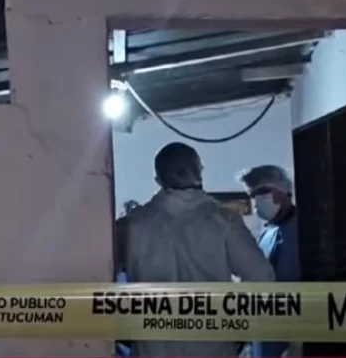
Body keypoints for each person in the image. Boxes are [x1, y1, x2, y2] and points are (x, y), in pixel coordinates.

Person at [119, 142, 275, 357]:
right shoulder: (223, 221)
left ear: (158, 180)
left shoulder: (132, 225)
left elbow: (98, 279)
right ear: (199, 172)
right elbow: (261, 277)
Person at [237, 165, 301, 358]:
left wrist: (297, 345)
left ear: (283, 190)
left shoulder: (302, 230)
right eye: (252, 195)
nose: (257, 200)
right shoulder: (267, 233)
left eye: (262, 192)